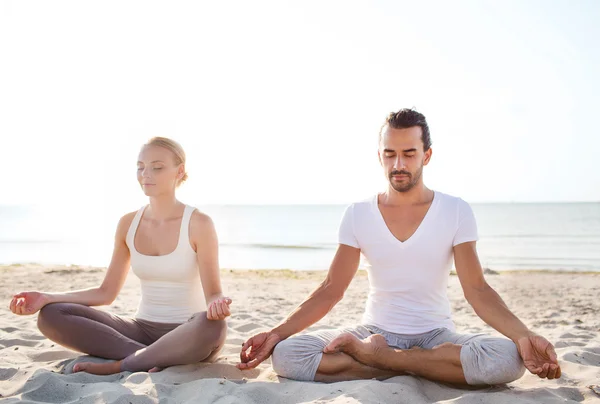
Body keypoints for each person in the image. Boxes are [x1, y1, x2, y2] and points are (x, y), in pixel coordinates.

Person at [238, 109, 561, 385]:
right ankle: (421, 366)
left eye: (409, 153)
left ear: (427, 155)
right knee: (288, 355)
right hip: (373, 329)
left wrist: (523, 337)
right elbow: (331, 289)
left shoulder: (455, 210)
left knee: (507, 359)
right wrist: (276, 334)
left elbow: (477, 290)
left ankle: (382, 360)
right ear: (380, 155)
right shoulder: (358, 213)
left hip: (435, 334)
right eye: (390, 154)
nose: (398, 164)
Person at [9, 137, 231, 375]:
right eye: (140, 166)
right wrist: (45, 297)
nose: (146, 174)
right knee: (52, 314)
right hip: (139, 330)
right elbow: (106, 293)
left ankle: (123, 364)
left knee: (213, 325)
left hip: (188, 332)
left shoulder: (199, 223)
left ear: (180, 171)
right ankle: (149, 357)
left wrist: (217, 304)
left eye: (157, 167)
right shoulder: (128, 223)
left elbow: (214, 294)